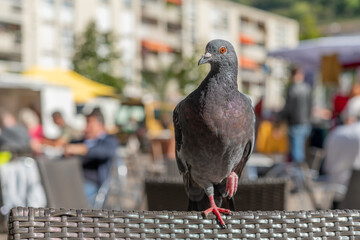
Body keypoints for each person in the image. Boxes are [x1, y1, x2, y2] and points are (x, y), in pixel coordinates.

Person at [64, 108, 119, 205]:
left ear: (100, 126)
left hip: (93, 182)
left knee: (71, 197)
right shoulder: (81, 140)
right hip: (72, 179)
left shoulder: (108, 140)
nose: (87, 127)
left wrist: (83, 149)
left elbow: (105, 153)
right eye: (86, 123)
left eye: (90, 124)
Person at [323, 116, 360, 208]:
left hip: (336, 188)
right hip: (349, 192)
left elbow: (328, 163)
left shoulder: (337, 132)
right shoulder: (348, 132)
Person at [279, 66, 312, 163]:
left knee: (297, 152)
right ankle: (300, 172)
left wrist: (280, 119)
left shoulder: (292, 89)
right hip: (306, 123)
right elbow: (310, 107)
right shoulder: (307, 88)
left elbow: (288, 107)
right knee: (301, 149)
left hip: (296, 122)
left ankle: (298, 175)